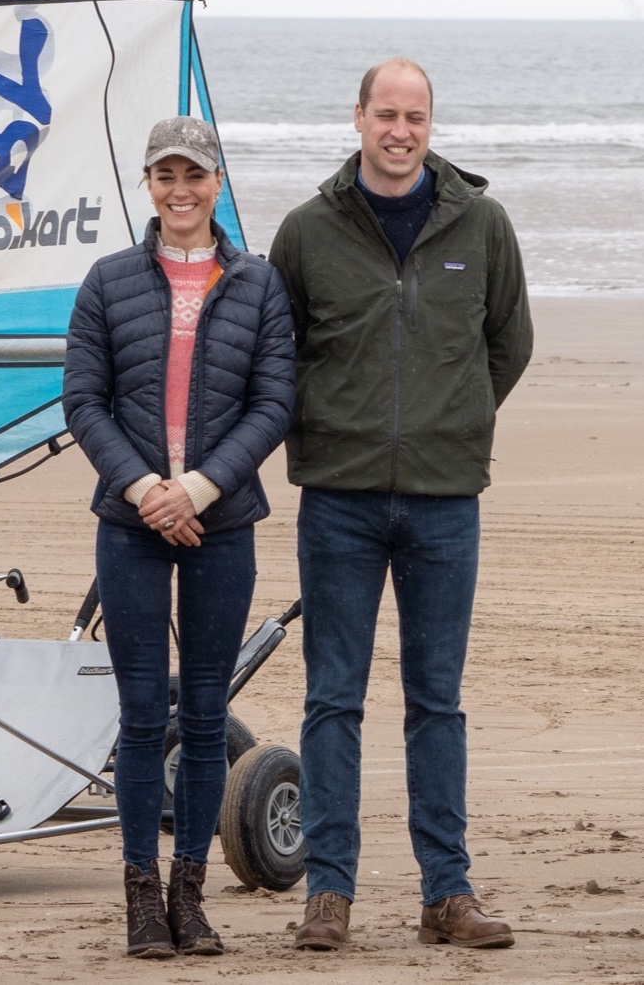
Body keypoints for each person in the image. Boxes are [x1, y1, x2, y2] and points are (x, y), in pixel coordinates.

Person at [269, 58, 533, 952]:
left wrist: (446, 423)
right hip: (338, 499)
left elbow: (509, 344)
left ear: (430, 124)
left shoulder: (483, 224)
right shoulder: (307, 232)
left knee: (437, 701)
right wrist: (346, 431)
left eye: (415, 116)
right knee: (332, 698)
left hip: (444, 502)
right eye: (387, 114)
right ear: (358, 118)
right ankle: (328, 894)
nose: (401, 130)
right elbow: (284, 353)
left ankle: (445, 895)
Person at [63, 116, 294, 959]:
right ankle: (139, 900)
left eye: (193, 174)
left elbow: (274, 402)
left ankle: (189, 897)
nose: (180, 189)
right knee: (136, 717)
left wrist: (197, 487)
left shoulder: (259, 284)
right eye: (165, 175)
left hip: (221, 521)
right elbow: (83, 399)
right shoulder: (108, 280)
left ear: (216, 183)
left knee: (203, 718)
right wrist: (145, 490)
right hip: (130, 523)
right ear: (149, 185)